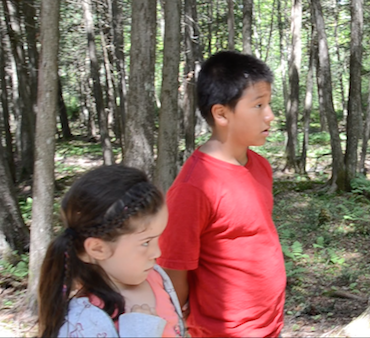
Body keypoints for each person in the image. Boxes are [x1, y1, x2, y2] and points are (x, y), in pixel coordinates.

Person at [157, 50, 286, 338]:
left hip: (270, 323)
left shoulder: (260, 166)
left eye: (269, 104)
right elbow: (174, 271)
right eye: (258, 105)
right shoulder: (193, 188)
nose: (270, 115)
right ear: (221, 113)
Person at [37, 165, 186, 337]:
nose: (157, 253)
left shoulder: (155, 276)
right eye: (146, 243)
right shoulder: (84, 322)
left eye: (158, 238)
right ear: (98, 249)